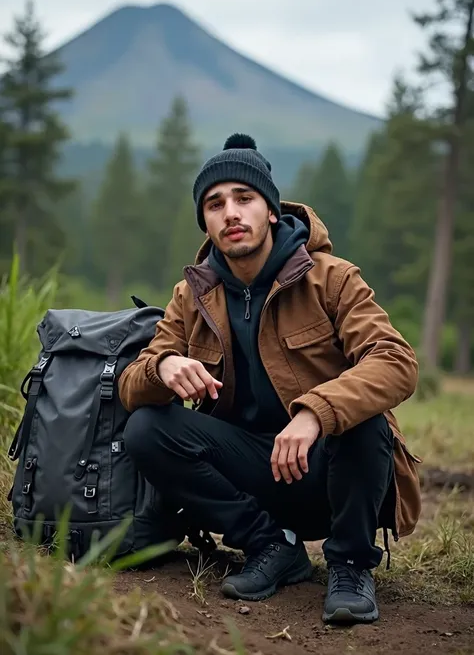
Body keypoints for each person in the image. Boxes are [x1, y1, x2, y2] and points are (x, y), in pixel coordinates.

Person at [119, 133, 422, 625]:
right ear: (206, 221)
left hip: (328, 474)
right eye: (215, 204)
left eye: (244, 198)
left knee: (366, 420)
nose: (231, 213)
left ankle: (349, 566)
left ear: (272, 211)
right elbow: (132, 384)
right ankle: (271, 545)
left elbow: (395, 361)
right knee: (147, 428)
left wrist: (316, 412)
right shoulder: (191, 294)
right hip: (252, 474)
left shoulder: (332, 277)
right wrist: (163, 367)